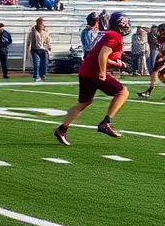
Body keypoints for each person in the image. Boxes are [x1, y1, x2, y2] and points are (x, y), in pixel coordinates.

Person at [52, 13, 130, 145]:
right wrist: (103, 73)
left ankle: (62, 129)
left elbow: (104, 57)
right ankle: (106, 122)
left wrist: (119, 64)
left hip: (86, 70)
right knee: (123, 92)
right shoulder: (114, 36)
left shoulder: (107, 34)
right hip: (95, 72)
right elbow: (103, 55)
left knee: (84, 103)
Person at [138, 24, 165, 100]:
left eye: (160, 31)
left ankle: (151, 91)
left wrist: (163, 58)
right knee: (158, 73)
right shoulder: (162, 37)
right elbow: (161, 49)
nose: (159, 32)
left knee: (158, 73)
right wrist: (161, 55)